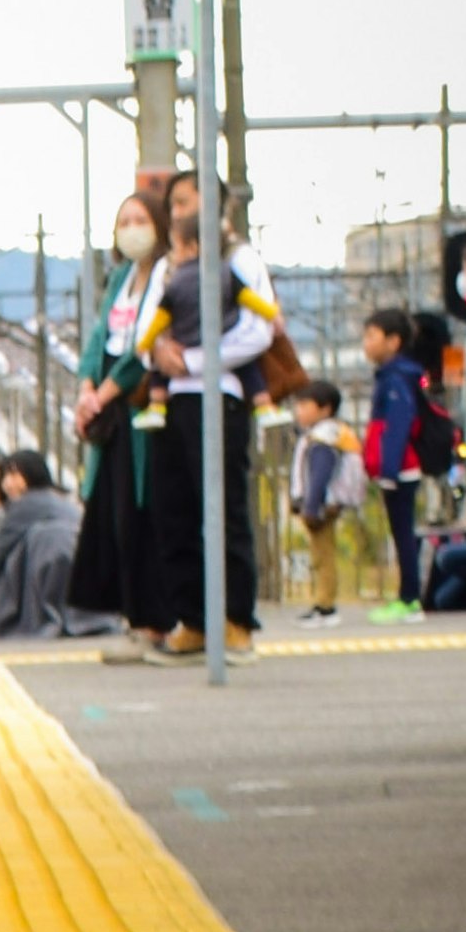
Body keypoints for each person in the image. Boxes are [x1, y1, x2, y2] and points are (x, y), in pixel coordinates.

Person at [128, 166, 268, 651]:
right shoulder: (169, 264)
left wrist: (192, 359)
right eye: (175, 206)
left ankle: (237, 619)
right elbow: (145, 329)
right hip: (171, 403)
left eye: (185, 204)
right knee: (174, 509)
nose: (177, 214)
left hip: (220, 394)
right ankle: (191, 617)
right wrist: (156, 354)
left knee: (224, 507)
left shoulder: (239, 258)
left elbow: (259, 328)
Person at [68, 176, 172, 634]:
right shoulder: (119, 279)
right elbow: (97, 337)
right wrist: (86, 389)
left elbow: (143, 349)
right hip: (109, 411)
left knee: (142, 511)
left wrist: (103, 393)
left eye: (140, 220)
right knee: (111, 512)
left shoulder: (168, 274)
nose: (131, 229)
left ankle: (153, 619)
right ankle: (130, 616)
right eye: (123, 222)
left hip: (140, 403)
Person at [361, 306, 437, 605]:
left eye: (371, 336)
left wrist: (388, 470)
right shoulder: (397, 375)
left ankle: (409, 598)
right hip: (398, 467)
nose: (366, 343)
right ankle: (407, 595)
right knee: (401, 531)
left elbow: (397, 425)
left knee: (403, 533)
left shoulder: (395, 378)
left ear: (393, 341)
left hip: (400, 468)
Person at [0, 440, 78, 638]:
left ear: (32, 474)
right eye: (5, 477)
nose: (8, 483)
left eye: (14, 475)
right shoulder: (62, 499)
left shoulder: (27, 504)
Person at [285, 380, 366, 616]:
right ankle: (323, 601)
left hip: (320, 505)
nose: (299, 411)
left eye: (304, 405)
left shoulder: (323, 438)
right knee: (321, 553)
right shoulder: (328, 435)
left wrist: (310, 506)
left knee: (323, 555)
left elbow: (319, 476)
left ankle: (325, 605)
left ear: (325, 409)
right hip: (324, 503)